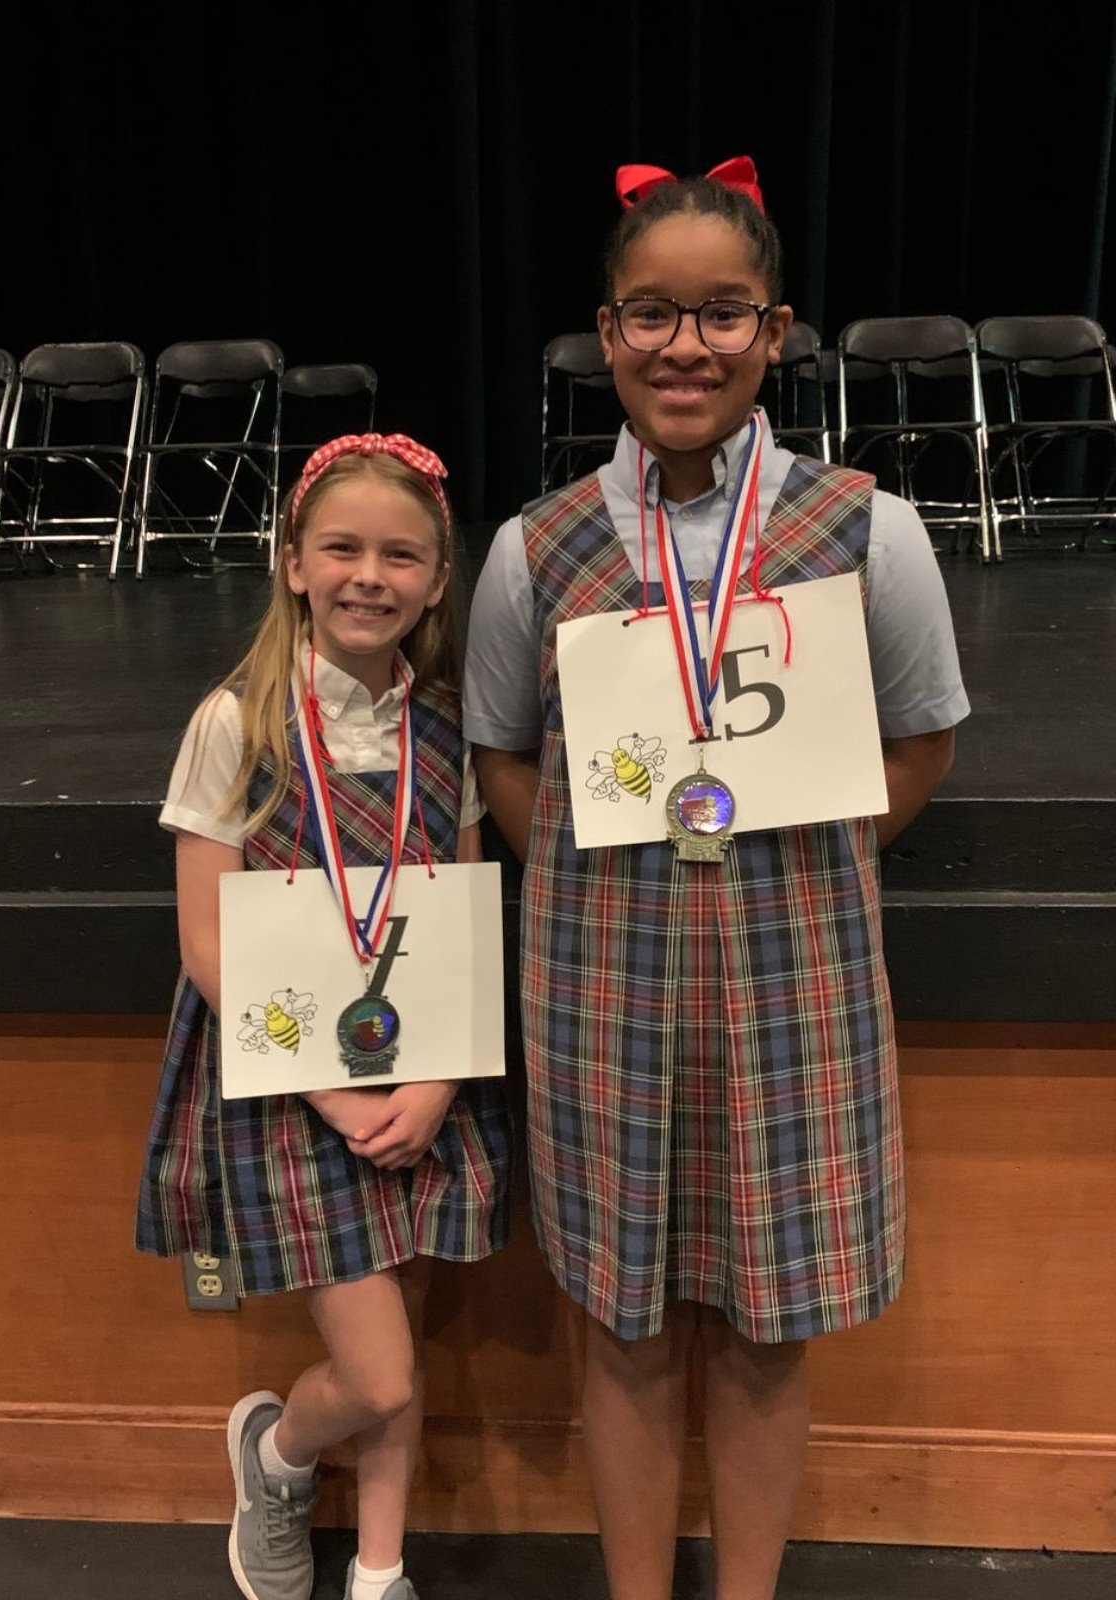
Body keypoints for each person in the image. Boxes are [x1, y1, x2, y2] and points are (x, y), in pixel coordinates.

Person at [464, 159, 969, 1600]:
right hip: (598, 990)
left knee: (764, 1326)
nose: (686, 346)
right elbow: (507, 755)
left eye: (722, 315)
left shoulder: (871, 530)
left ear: (779, 330)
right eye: (652, 316)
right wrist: (596, 874)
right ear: (605, 335)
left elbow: (921, 735)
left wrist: (813, 850)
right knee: (619, 1325)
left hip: (792, 982)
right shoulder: (533, 550)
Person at [137, 434, 510, 1600]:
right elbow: (205, 943)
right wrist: (334, 1090)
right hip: (294, 1085)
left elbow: (457, 918)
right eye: (341, 547)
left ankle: (380, 1570)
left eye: (402, 555)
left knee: (401, 1311)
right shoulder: (236, 723)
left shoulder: (446, 728)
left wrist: (437, 1083)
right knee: (383, 1373)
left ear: (439, 581)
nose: (370, 574)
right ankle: (280, 1455)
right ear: (293, 562)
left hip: (418, 1077)